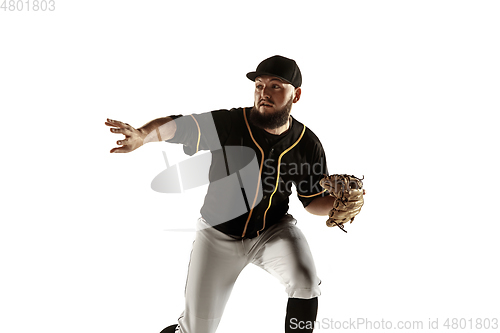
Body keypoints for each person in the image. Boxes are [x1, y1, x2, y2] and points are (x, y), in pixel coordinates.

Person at [105, 55, 338, 333]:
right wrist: (143, 134)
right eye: (260, 85)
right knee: (196, 330)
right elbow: (180, 126)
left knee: (306, 282)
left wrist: (339, 206)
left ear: (296, 95)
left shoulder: (307, 143)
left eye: (276, 86)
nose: (264, 93)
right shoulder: (230, 123)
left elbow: (312, 201)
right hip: (218, 235)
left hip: (272, 231)